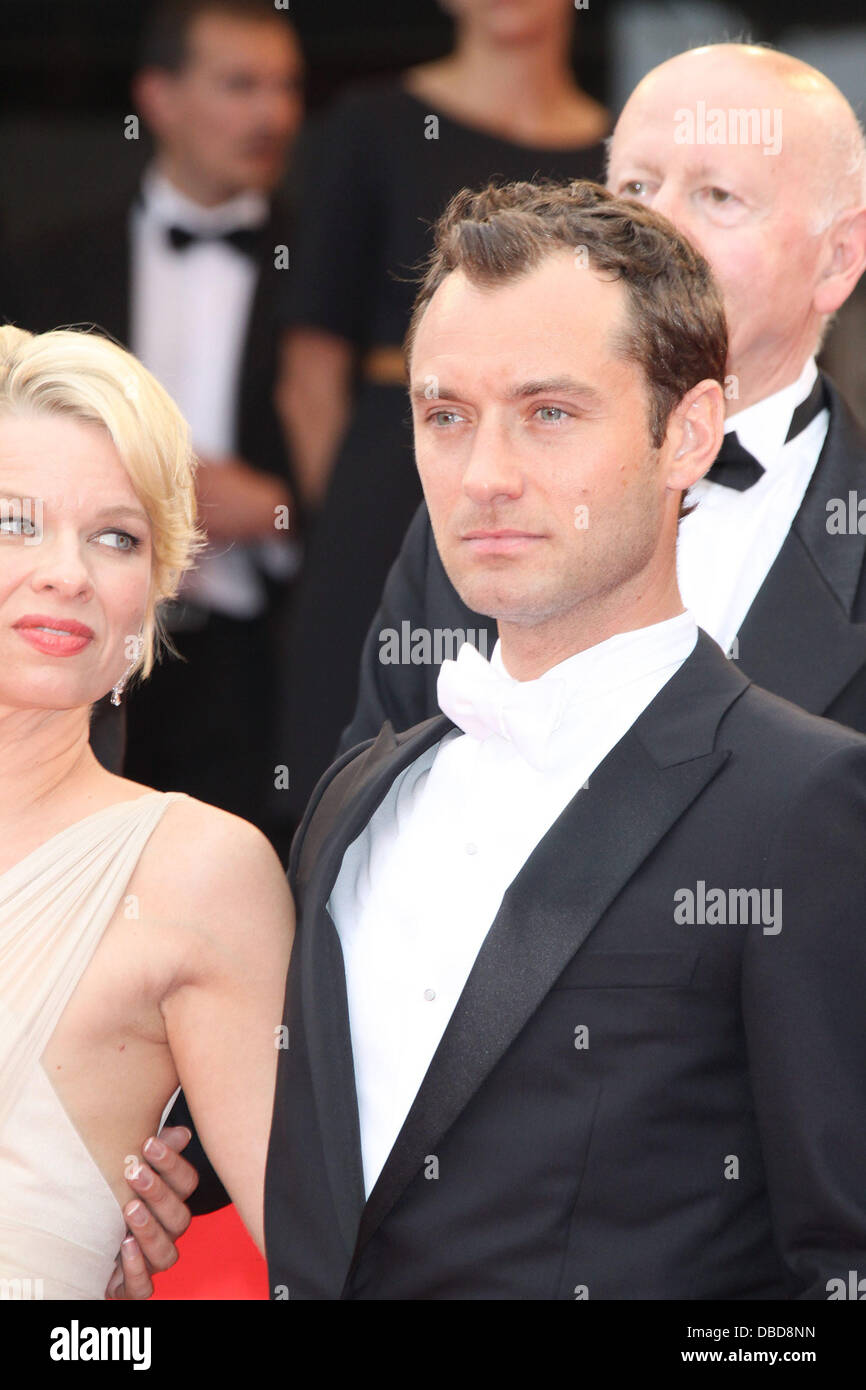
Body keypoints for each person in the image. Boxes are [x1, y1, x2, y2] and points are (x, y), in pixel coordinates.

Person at [132, 179, 866, 1299]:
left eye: (550, 412)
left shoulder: (803, 803)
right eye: (446, 415)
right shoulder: (359, 800)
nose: (483, 477)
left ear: (687, 433)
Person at [340, 42, 866, 750]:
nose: (662, 229)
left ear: (838, 257)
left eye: (719, 195)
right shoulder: (483, 500)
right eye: (637, 191)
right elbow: (382, 792)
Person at [0, 324, 293, 1299]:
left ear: (155, 593)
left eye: (114, 536)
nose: (66, 572)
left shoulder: (196, 870)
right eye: (15, 522)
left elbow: (325, 1256)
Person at [275, 0, 610, 819]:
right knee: (348, 785)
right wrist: (353, 527)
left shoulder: (623, 147)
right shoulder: (369, 124)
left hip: (564, 510)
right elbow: (309, 366)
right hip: (382, 484)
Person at [0, 0, 305, 848]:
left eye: (285, 88)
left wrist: (279, 510)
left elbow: (370, 474)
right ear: (159, 98)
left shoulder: (325, 266)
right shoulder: (45, 264)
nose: (271, 114)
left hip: (258, 659)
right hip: (65, 643)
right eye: (240, 84)